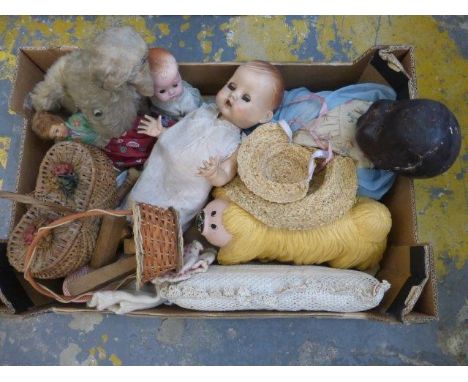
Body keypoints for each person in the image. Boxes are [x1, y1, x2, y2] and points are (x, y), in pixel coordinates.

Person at [129, 60, 285, 230]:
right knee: (143, 193)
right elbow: (182, 131)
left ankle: (152, 236)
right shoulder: (203, 110)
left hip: (187, 188)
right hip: (162, 168)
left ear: (263, 116)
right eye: (232, 86)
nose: (233, 95)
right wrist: (161, 132)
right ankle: (125, 220)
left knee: (166, 219)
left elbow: (226, 173)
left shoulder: (237, 144)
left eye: (245, 98)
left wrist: (215, 173)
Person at [146, 47, 203, 125]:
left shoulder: (187, 101)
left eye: (175, 85)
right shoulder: (150, 92)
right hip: (164, 111)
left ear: (179, 75)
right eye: (162, 91)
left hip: (187, 116)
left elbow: (194, 119)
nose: (171, 92)